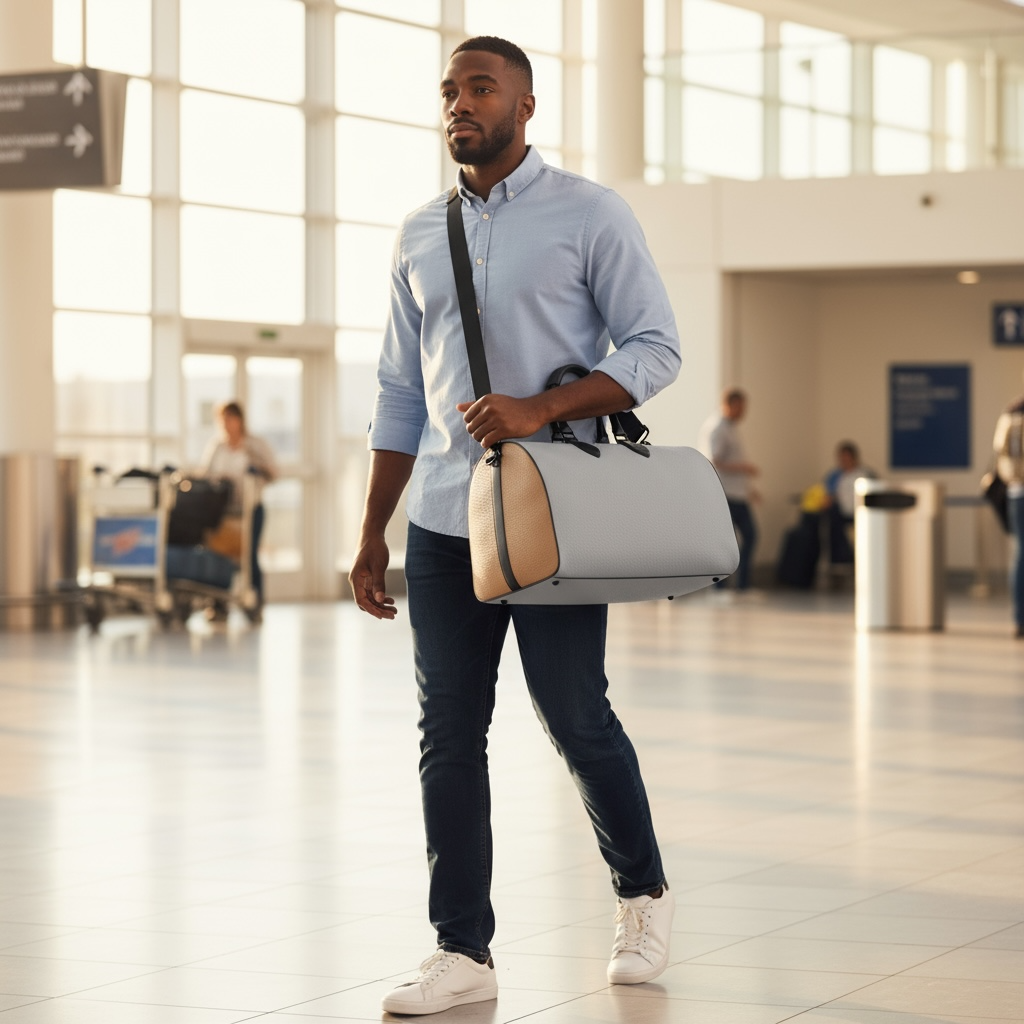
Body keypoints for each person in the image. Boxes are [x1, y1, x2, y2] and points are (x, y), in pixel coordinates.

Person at [348, 36, 681, 1017]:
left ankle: (641, 891)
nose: (460, 103)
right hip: (446, 526)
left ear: (525, 106)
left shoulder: (589, 214)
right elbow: (399, 393)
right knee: (447, 730)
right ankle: (462, 949)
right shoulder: (418, 232)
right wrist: (374, 530)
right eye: (450, 90)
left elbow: (657, 346)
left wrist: (543, 406)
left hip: (553, 510)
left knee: (573, 714)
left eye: (480, 87)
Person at [200, 400, 278, 612]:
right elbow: (206, 475)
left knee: (249, 556)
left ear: (240, 420)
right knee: (219, 556)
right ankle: (218, 603)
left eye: (230, 418)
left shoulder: (254, 444)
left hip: (250, 509)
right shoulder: (217, 446)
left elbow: (273, 473)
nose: (226, 423)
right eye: (222, 419)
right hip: (223, 513)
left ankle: (255, 603)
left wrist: (256, 466)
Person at [698, 388, 759, 591]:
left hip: (738, 493)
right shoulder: (717, 428)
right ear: (729, 405)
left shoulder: (732, 428)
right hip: (725, 494)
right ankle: (721, 588)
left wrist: (750, 489)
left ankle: (742, 585)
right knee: (726, 543)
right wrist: (744, 468)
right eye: (740, 407)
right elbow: (714, 461)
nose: (743, 411)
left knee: (749, 536)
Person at [993, 393, 1024, 637]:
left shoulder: (1010, 416)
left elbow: (999, 453)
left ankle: (1019, 619)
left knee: (1020, 555)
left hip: (1016, 492)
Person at [822, 440, 873, 565]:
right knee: (834, 526)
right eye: (841, 458)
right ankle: (838, 563)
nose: (844, 461)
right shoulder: (834, 476)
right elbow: (828, 495)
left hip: (861, 514)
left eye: (846, 457)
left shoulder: (865, 474)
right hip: (840, 514)